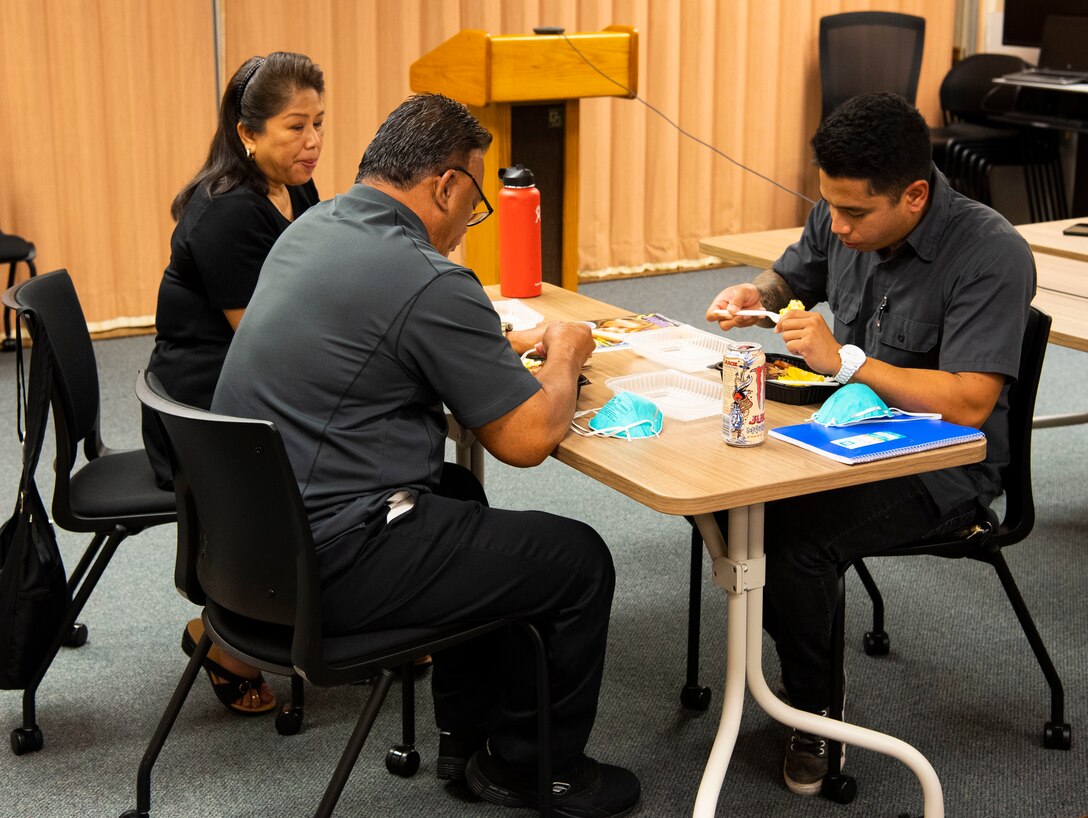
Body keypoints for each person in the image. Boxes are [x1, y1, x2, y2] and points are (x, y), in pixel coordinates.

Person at [212, 93, 640, 817]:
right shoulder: (428, 276)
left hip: (249, 547)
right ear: (445, 184)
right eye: (474, 203)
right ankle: (538, 771)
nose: (467, 225)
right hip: (331, 562)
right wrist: (565, 352)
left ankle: (465, 738)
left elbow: (369, 341)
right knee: (576, 560)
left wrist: (477, 347)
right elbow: (527, 438)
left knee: (457, 495)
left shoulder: (313, 225)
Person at [705, 92, 1035, 797]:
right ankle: (794, 667)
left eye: (856, 213)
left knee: (790, 539)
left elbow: (972, 404)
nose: (839, 225)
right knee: (724, 494)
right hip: (848, 428)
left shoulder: (989, 252)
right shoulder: (841, 210)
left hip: (945, 468)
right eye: (830, 206)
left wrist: (845, 362)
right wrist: (753, 289)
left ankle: (814, 711)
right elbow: (794, 271)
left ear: (914, 195)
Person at [142, 51, 325, 716]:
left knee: (381, 421)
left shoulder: (295, 187)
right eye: (295, 128)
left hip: (246, 387)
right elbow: (266, 339)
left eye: (319, 125)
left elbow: (316, 289)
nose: (312, 143)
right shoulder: (228, 213)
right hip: (207, 415)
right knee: (348, 445)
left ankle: (367, 608)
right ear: (248, 135)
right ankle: (230, 643)